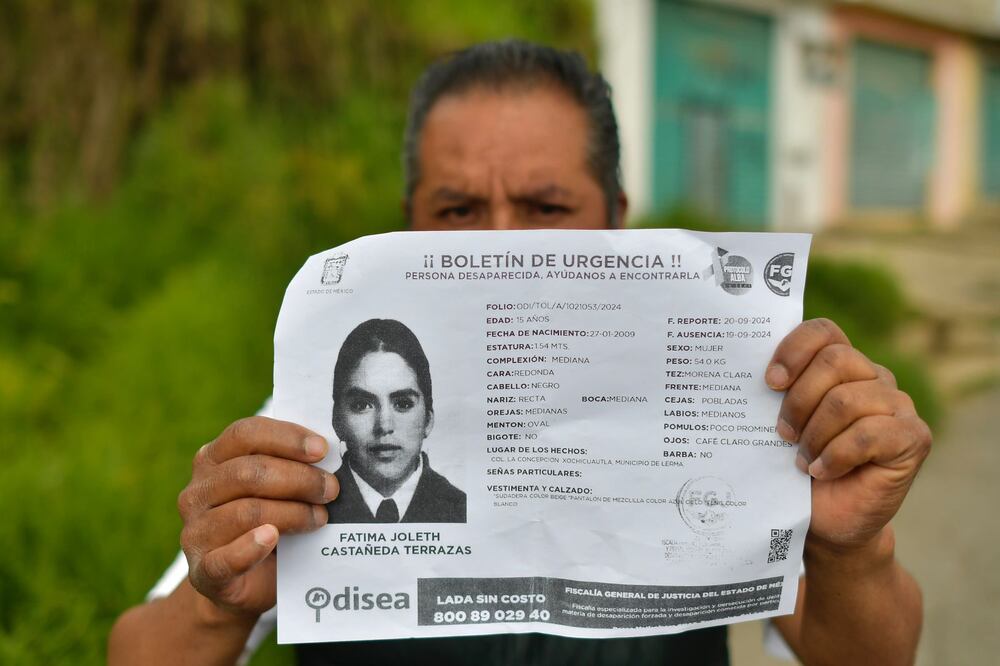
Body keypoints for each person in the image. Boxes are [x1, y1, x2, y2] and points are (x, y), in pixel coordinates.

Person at [109, 40, 930, 665]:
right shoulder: (317, 429)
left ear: (615, 217)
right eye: (460, 209)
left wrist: (853, 550)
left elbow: (861, 655)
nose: (502, 246)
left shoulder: (722, 400)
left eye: (545, 205)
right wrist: (221, 602)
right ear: (407, 226)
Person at [327, 318, 465, 524]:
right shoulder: (309, 510)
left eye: (403, 404)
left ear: (428, 419)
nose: (384, 425)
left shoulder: (463, 510)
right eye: (361, 405)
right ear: (337, 420)